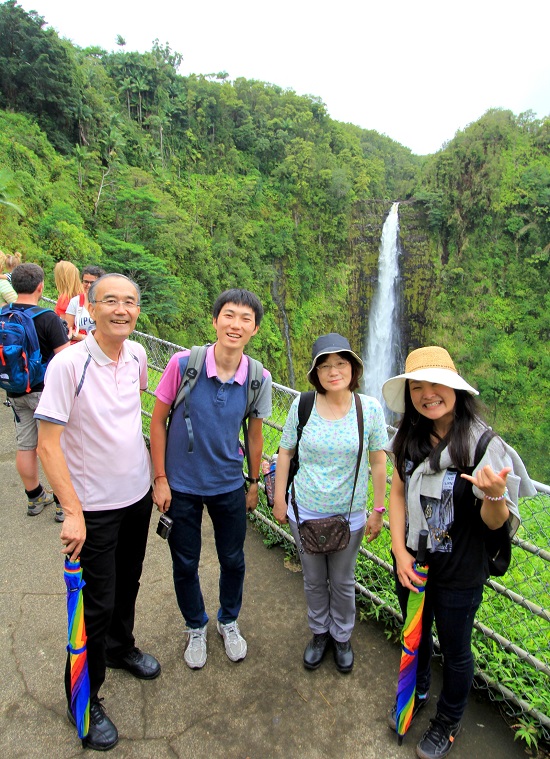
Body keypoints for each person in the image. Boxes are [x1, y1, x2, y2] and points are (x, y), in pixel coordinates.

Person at [382, 346, 535, 759]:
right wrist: (398, 550)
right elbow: (397, 490)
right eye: (417, 387)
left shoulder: (483, 444)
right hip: (415, 559)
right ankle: (419, 689)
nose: (427, 394)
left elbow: (492, 523)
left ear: (455, 388)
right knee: (415, 631)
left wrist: (494, 496)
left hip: (460, 571)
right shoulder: (407, 435)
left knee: (455, 648)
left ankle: (448, 721)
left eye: (436, 384)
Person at [36, 274, 160, 751]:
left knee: (128, 581)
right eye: (111, 301)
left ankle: (120, 646)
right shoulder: (68, 365)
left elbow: (129, 419)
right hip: (93, 506)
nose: (122, 310)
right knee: (98, 599)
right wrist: (71, 510)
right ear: (91, 306)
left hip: (136, 494)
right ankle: (83, 696)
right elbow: (48, 445)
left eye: (130, 302)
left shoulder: (138, 355)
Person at [150, 288, 272, 670]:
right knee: (185, 562)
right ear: (215, 320)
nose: (236, 324)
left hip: (228, 484)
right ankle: (195, 626)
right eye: (229, 315)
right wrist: (160, 478)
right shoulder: (184, 363)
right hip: (181, 485)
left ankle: (228, 620)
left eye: (245, 319)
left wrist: (254, 482)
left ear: (254, 329)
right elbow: (157, 421)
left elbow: (254, 434)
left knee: (233, 559)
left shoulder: (258, 377)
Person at [273, 333, 388, 673]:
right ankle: (319, 632)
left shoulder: (369, 409)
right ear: (315, 373)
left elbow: (379, 462)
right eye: (325, 366)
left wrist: (377, 511)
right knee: (312, 579)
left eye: (340, 363)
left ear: (353, 368)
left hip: (349, 516)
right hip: (303, 511)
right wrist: (279, 498)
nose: (333, 371)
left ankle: (341, 635)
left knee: (342, 580)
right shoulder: (303, 404)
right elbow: (285, 451)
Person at [4, 263, 69, 520]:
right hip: (45, 393)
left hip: (15, 390)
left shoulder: (3, 314)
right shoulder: (47, 318)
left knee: (26, 445)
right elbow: (64, 359)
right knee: (56, 447)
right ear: (40, 287)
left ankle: (34, 498)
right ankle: (63, 503)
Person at [64, 265, 106, 341]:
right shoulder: (75, 301)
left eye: (92, 283)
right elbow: (67, 330)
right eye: (86, 282)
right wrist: (85, 338)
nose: (89, 285)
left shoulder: (106, 303)